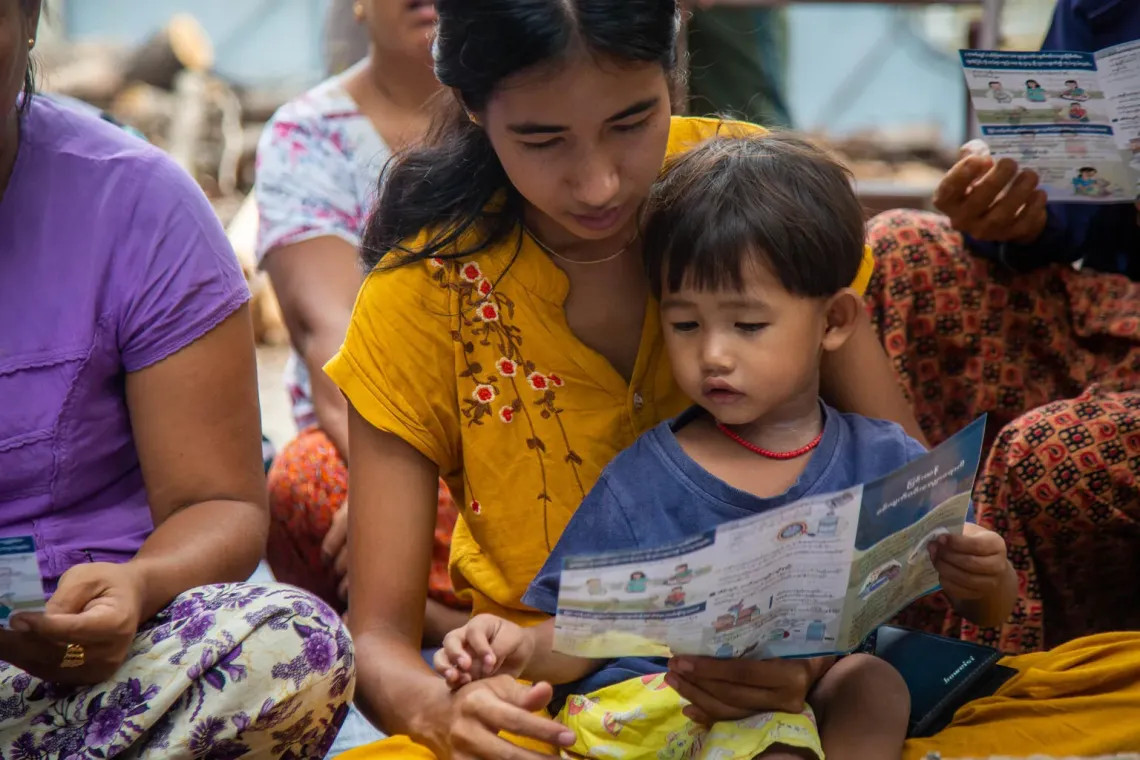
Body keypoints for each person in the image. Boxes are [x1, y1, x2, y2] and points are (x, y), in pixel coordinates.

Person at [320, 1, 958, 757]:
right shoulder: (420, 295)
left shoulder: (754, 200)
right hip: (559, 695)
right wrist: (443, 716)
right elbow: (378, 640)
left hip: (807, 677)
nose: (597, 184)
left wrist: (809, 664)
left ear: (674, 68)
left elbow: (917, 515)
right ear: (471, 106)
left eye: (632, 122)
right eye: (541, 138)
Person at [433, 134, 1018, 760]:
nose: (713, 353)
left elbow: (987, 607)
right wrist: (517, 648)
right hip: (665, 710)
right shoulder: (644, 481)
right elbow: (579, 639)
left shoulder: (883, 460)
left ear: (834, 322)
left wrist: (985, 571)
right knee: (771, 736)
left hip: (800, 704)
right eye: (685, 324)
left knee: (872, 681)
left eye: (748, 325)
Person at [0, 1, 353, 756]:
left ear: (27, 17)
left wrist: (139, 586)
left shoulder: (137, 207)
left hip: (92, 673)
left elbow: (219, 504)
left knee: (292, 645)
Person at [867, 0, 1140, 655]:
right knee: (896, 251)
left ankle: (992, 687)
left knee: (1041, 455)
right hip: (1115, 313)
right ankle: (891, 641)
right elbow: (1077, 211)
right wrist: (1010, 211)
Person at [256, 0, 469, 640]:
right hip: (371, 427)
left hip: (523, 416)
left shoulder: (531, 107)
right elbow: (335, 340)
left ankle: (431, 611)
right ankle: (438, 613)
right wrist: (411, 490)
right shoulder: (308, 133)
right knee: (307, 487)